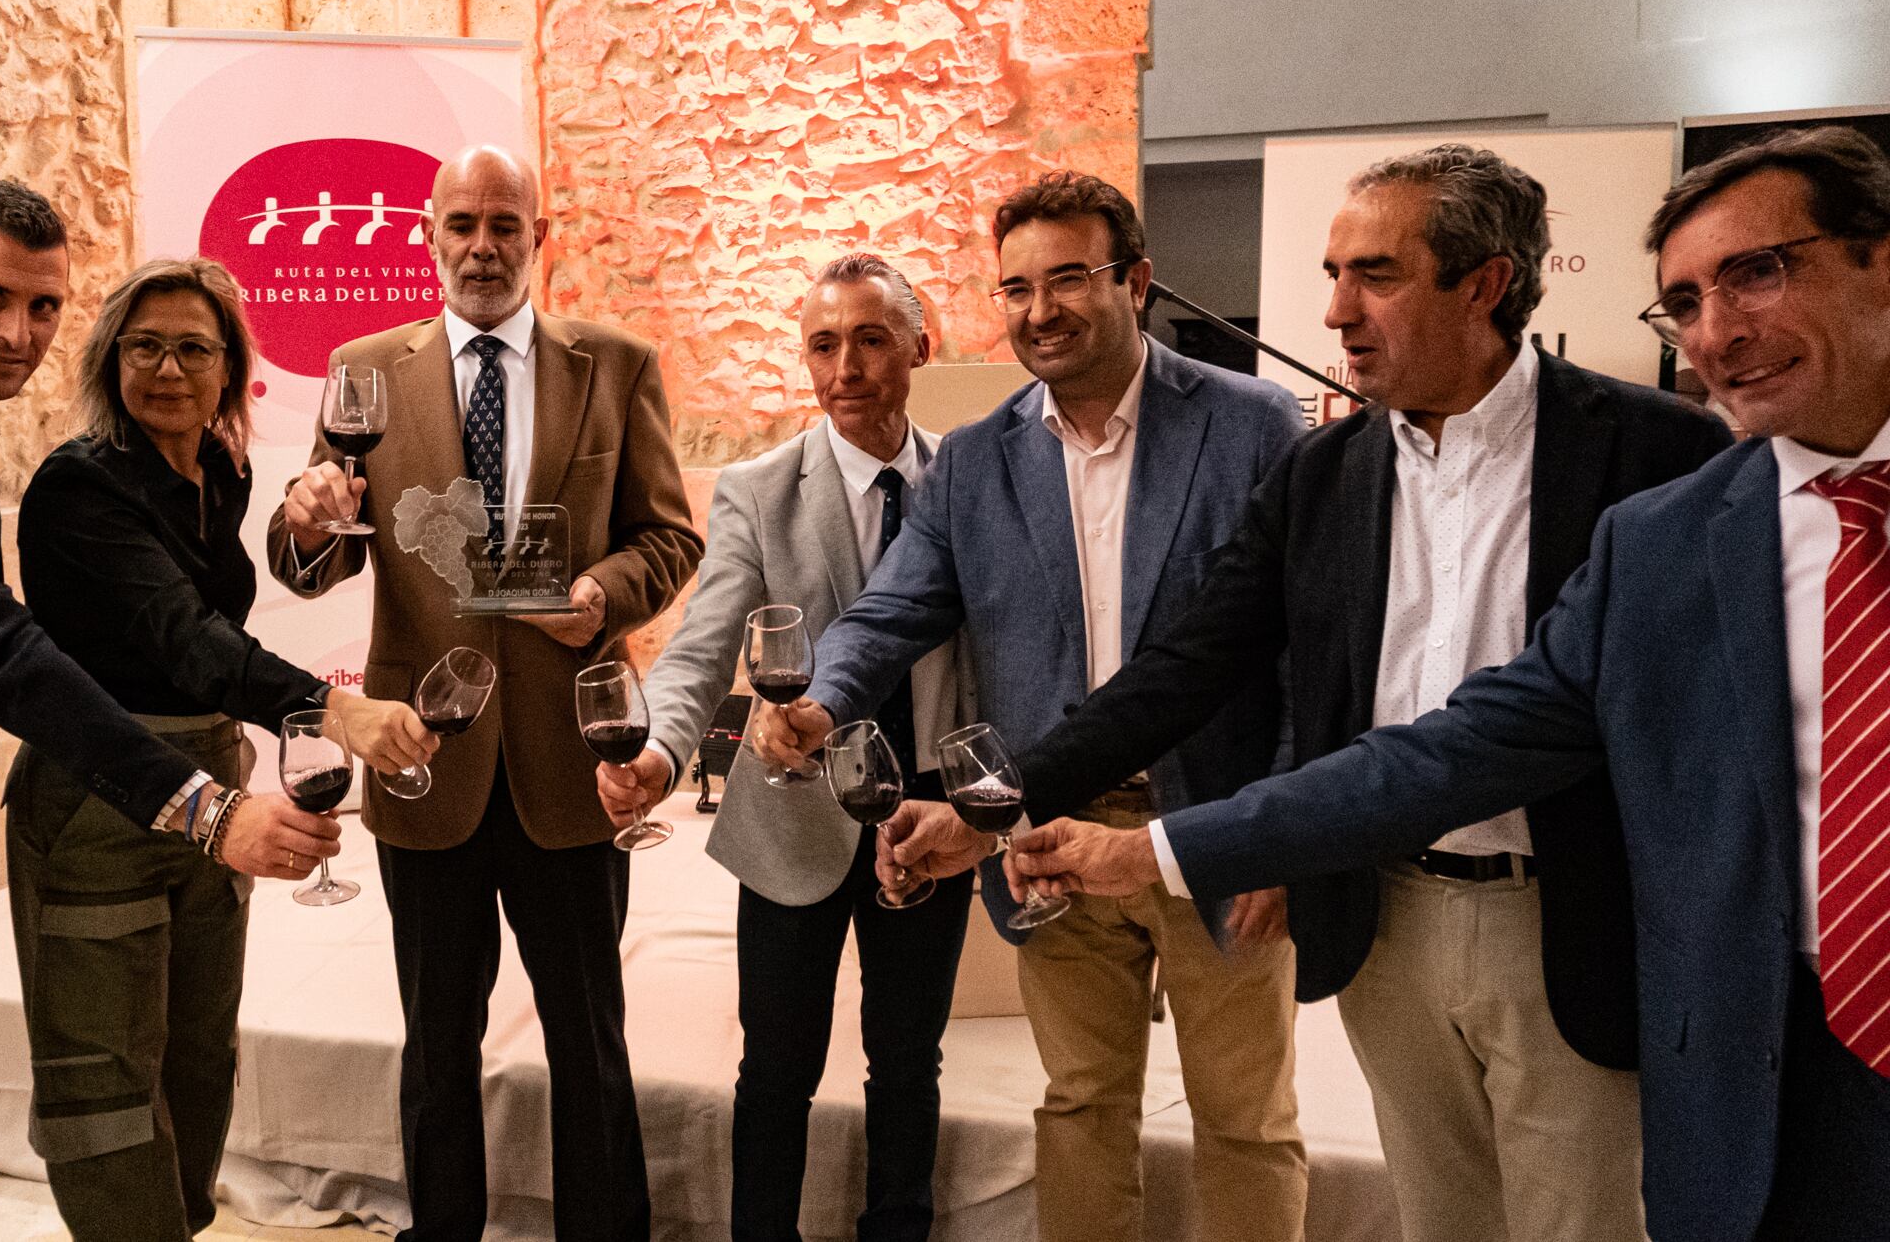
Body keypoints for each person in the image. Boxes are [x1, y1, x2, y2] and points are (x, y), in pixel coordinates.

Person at [988, 126, 1890, 1242]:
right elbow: (1199, 664)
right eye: (1687, 301)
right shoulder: (1324, 472)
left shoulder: (1664, 463)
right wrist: (1021, 792)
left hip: (1574, 918)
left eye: (1374, 275)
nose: (1333, 313)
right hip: (1386, 914)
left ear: (1486, 285)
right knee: (1437, 1217)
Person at [755, 172, 1310, 1241]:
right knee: (1079, 1105)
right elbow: (890, 608)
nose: (1038, 310)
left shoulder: (1250, 425)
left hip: (1211, 825)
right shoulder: (974, 460)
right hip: (1046, 829)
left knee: (1244, 1118)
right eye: (1014, 288)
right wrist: (821, 704)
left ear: (1136, 282)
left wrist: (1282, 824)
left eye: (1068, 278)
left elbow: (1303, 639)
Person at [0, 179, 339, 1242]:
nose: (17, 330)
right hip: (79, 809)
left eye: (42, 306)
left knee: (193, 1057)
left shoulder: (206, 468)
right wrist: (233, 792)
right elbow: (11, 657)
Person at [269, 143, 702, 1242]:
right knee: (435, 1045)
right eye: (460, 224)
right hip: (426, 755)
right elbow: (315, 554)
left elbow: (671, 535)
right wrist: (306, 524)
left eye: (504, 225)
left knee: (588, 1041)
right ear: (428, 236)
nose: (481, 246)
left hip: (570, 756)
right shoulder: (364, 370)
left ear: (539, 238)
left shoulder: (615, 364)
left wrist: (605, 591)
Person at [4, 257, 435, 1240]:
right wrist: (336, 712)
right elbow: (186, 640)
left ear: (232, 370)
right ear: (110, 359)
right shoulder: (81, 486)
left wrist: (297, 527)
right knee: (104, 1078)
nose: (165, 367)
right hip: (99, 793)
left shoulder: (218, 468)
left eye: (192, 348)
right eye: (143, 346)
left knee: (198, 1055)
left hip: (208, 781)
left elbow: (230, 594)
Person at [597, 253, 972, 1241]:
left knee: (908, 1058)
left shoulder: (970, 484)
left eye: (869, 339)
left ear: (918, 349)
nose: (843, 365)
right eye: (821, 343)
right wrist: (658, 752)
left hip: (925, 816)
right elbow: (699, 645)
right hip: (788, 823)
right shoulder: (758, 491)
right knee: (775, 1065)